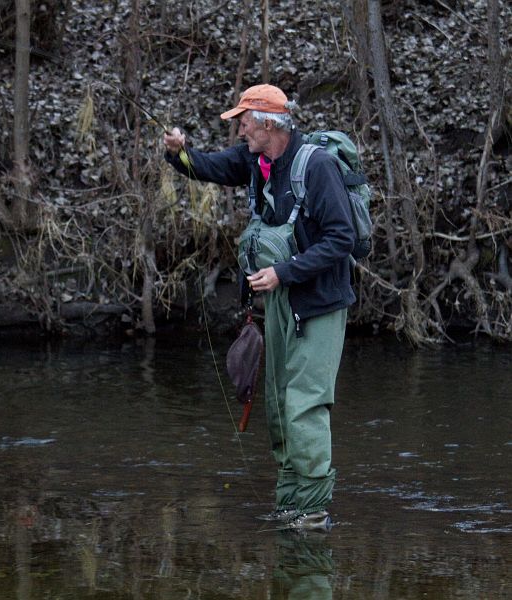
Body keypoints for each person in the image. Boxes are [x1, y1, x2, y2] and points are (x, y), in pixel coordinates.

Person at [162, 84, 356, 531]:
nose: (239, 129)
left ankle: (311, 511)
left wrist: (284, 273)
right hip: (281, 304)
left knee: (304, 406)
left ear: (270, 123)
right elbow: (206, 167)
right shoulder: (255, 160)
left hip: (320, 305)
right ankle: (292, 506)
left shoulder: (318, 166)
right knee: (278, 406)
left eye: (244, 121)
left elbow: (341, 238)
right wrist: (179, 153)